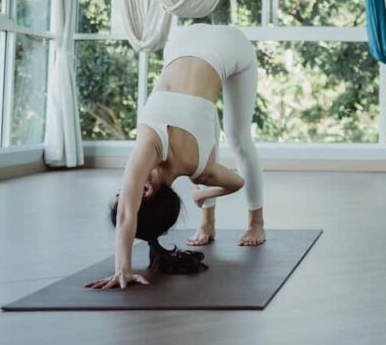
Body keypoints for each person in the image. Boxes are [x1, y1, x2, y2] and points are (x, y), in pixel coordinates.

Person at [87, 24, 265, 290]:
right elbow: (126, 213)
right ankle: (235, 222)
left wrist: (204, 193)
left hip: (187, 43)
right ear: (145, 193)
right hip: (203, 40)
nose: (127, 189)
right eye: (126, 192)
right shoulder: (153, 148)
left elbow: (234, 183)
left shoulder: (201, 168)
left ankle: (245, 223)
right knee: (238, 137)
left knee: (222, 129)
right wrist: (200, 194)